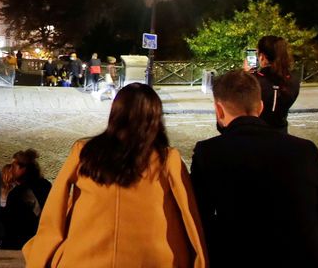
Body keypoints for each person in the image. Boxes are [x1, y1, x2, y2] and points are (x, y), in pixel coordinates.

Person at [23, 83, 205, 267]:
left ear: (115, 112)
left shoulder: (85, 152)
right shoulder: (168, 159)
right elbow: (189, 215)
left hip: (84, 255)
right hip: (152, 259)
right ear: (156, 117)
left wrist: (42, 253)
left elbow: (56, 205)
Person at [191, 70, 318, 268]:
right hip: (305, 258)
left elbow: (200, 220)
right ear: (260, 107)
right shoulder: (305, 149)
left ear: (219, 110)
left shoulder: (208, 152)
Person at [0, 148, 51, 250]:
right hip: (43, 237)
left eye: (14, 166)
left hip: (22, 242)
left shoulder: (17, 194)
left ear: (23, 169)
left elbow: (9, 224)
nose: (11, 169)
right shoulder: (46, 184)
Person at [253, 35, 300, 131]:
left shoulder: (253, 80)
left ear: (262, 56)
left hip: (257, 134)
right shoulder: (293, 79)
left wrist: (245, 75)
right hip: (281, 133)